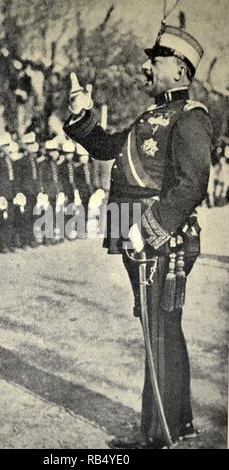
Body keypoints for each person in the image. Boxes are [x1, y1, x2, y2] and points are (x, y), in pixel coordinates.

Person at [64, 24, 212, 448]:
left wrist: (146, 232)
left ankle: (156, 435)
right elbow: (108, 147)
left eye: (156, 60)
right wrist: (82, 114)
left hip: (159, 241)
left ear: (180, 70)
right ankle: (175, 425)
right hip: (142, 238)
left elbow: (191, 184)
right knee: (161, 329)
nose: (146, 68)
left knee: (160, 331)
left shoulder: (190, 118)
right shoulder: (152, 117)